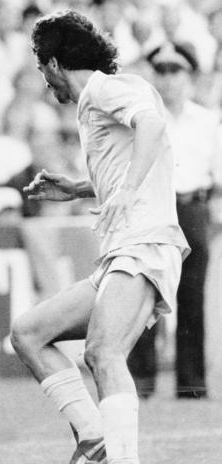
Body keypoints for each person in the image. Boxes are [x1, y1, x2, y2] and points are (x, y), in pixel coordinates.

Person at [10, 10, 189, 464]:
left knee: (104, 352)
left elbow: (152, 126)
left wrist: (128, 191)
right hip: (123, 250)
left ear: (51, 63)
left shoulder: (106, 88)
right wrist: (77, 187)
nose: (45, 81)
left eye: (41, 68)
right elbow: (126, 157)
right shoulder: (97, 100)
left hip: (145, 244)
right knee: (29, 333)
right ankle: (96, 442)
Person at [128, 42, 221, 400]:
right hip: (154, 207)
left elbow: (217, 176)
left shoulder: (207, 121)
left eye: (175, 71)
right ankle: (142, 380)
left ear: (190, 76)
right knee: (145, 294)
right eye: (161, 71)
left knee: (192, 299)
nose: (168, 80)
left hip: (191, 206)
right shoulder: (145, 119)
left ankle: (192, 382)